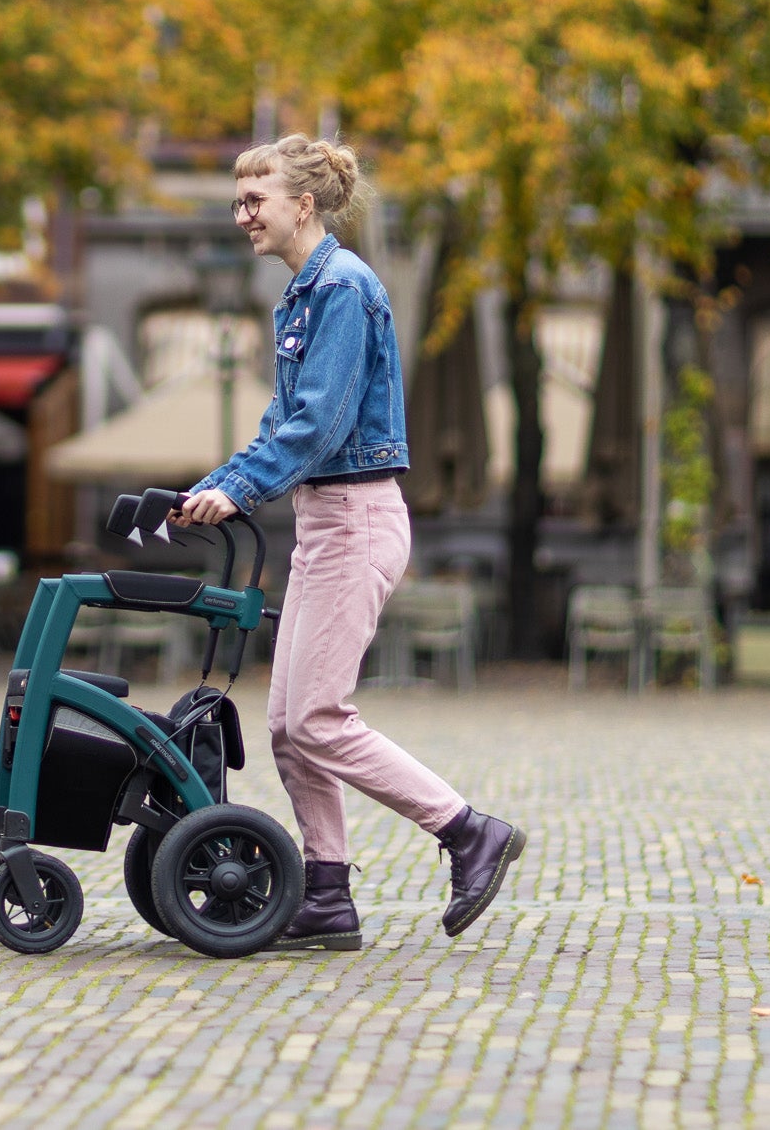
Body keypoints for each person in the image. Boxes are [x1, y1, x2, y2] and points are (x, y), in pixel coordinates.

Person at [174, 134, 526, 951]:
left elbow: (323, 421)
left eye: (253, 199)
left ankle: (468, 830)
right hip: (321, 520)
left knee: (321, 718)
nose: (241, 215)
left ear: (302, 204)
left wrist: (241, 489)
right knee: (289, 724)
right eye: (237, 200)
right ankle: (326, 893)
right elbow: (280, 424)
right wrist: (214, 484)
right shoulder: (299, 296)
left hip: (357, 518)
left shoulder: (343, 287)